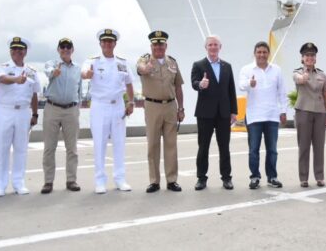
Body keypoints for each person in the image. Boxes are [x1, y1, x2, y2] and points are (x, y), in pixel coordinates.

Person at [82, 29, 135, 194]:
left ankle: (120, 179)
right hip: (99, 106)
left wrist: (131, 101)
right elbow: (84, 73)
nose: (107, 44)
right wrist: (87, 74)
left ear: (115, 43)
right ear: (100, 44)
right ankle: (100, 181)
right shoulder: (93, 61)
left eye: (110, 41)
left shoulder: (122, 62)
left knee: (119, 143)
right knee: (99, 144)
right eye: (104, 41)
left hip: (118, 105)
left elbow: (129, 83)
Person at [137, 30, 185, 193]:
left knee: (171, 144)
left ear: (166, 46)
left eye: (161, 44)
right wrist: (146, 68)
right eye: (155, 44)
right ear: (151, 46)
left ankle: (172, 180)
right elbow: (140, 68)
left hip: (170, 106)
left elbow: (178, 86)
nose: (158, 47)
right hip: (152, 106)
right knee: (153, 144)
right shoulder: (145, 59)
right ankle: (154, 181)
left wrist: (181, 108)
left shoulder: (172, 63)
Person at [0, 37, 41, 197]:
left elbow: (35, 94)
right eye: (14, 49)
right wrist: (16, 79)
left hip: (23, 112)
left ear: (25, 52)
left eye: (20, 49)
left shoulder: (32, 71)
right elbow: (1, 79)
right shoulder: (2, 67)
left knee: (21, 149)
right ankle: (0, 185)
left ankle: (19, 183)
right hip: (5, 111)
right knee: (2, 149)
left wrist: (35, 114)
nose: (17, 52)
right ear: (10, 51)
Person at [191, 35, 238, 190]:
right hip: (205, 113)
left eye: (215, 44)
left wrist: (234, 111)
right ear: (206, 47)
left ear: (220, 47)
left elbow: (231, 89)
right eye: (210, 44)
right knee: (203, 147)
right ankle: (201, 178)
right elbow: (194, 83)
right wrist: (201, 84)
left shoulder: (227, 66)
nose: (213, 47)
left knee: (224, 147)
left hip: (224, 113)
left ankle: (226, 178)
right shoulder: (198, 65)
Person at [238, 41, 287, 189]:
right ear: (254, 53)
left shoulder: (276, 70)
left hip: (272, 115)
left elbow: (282, 92)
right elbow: (240, 85)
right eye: (259, 52)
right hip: (254, 116)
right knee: (254, 149)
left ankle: (272, 176)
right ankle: (254, 177)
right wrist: (249, 84)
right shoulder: (247, 69)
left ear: (268, 54)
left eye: (264, 52)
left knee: (272, 150)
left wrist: (283, 111)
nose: (262, 55)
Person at [41, 38, 83, 194]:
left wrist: (77, 106)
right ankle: (48, 182)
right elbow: (49, 72)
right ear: (58, 49)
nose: (65, 49)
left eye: (68, 47)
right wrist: (55, 72)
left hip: (71, 110)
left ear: (73, 50)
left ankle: (71, 180)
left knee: (72, 148)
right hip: (53, 108)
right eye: (62, 47)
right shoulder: (51, 64)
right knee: (49, 147)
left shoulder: (78, 68)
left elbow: (78, 89)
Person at [293, 42, 326, 187]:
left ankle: (319, 176)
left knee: (319, 146)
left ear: (315, 58)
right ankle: (303, 178)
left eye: (312, 55)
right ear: (302, 58)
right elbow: (299, 79)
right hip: (303, 111)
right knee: (303, 146)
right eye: (307, 55)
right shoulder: (297, 72)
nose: (309, 58)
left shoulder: (322, 74)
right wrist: (304, 75)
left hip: (320, 113)